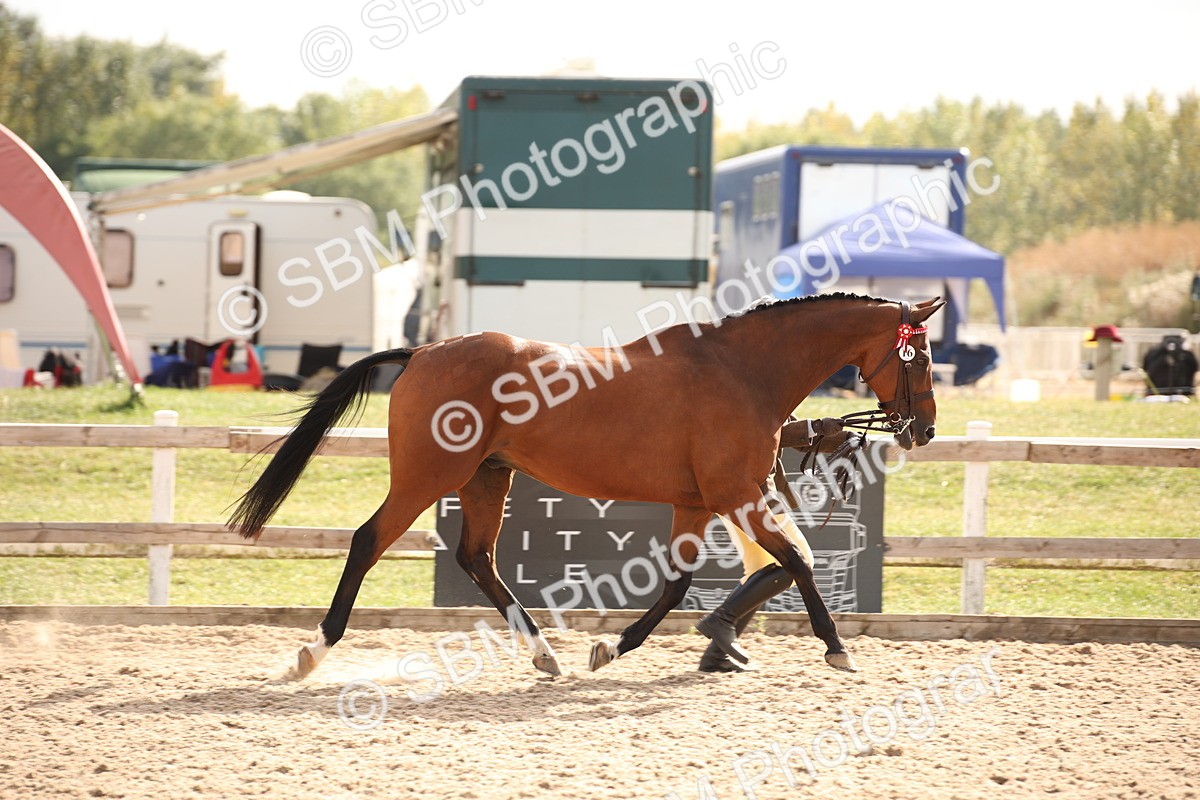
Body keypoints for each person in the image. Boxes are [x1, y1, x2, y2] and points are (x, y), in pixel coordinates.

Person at [695, 415, 853, 673]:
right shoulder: (751, 396)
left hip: (740, 494)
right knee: (799, 559)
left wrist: (845, 439)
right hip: (751, 495)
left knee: (759, 570)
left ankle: (715, 656)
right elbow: (770, 432)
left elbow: (795, 434)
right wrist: (816, 427)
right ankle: (721, 619)